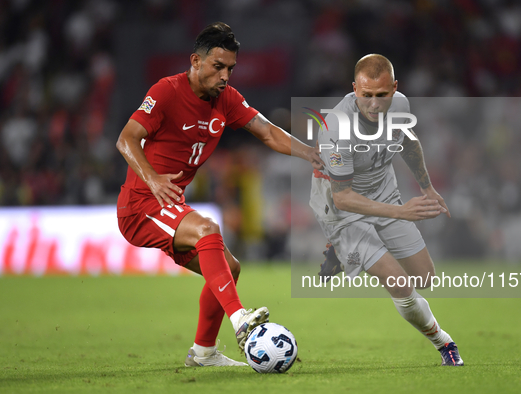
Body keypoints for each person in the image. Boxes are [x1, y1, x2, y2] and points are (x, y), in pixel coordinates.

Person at [116, 22, 322, 367]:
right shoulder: (167, 91)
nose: (225, 76)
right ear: (195, 61)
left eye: (230, 68)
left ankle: (204, 353)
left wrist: (313, 154)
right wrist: (152, 179)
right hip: (141, 205)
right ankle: (241, 321)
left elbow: (269, 133)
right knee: (208, 229)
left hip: (169, 204)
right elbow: (126, 139)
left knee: (229, 267)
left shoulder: (226, 100)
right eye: (218, 67)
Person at [310, 54, 464, 366]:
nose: (374, 104)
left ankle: (339, 255)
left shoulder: (401, 105)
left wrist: (426, 187)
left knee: (425, 278)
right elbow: (342, 197)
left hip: (385, 194)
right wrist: (402, 212)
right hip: (341, 210)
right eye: (366, 95)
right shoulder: (336, 128)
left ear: (395, 88)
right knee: (399, 283)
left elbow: (407, 141)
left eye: (382, 95)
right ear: (355, 89)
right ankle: (444, 342)